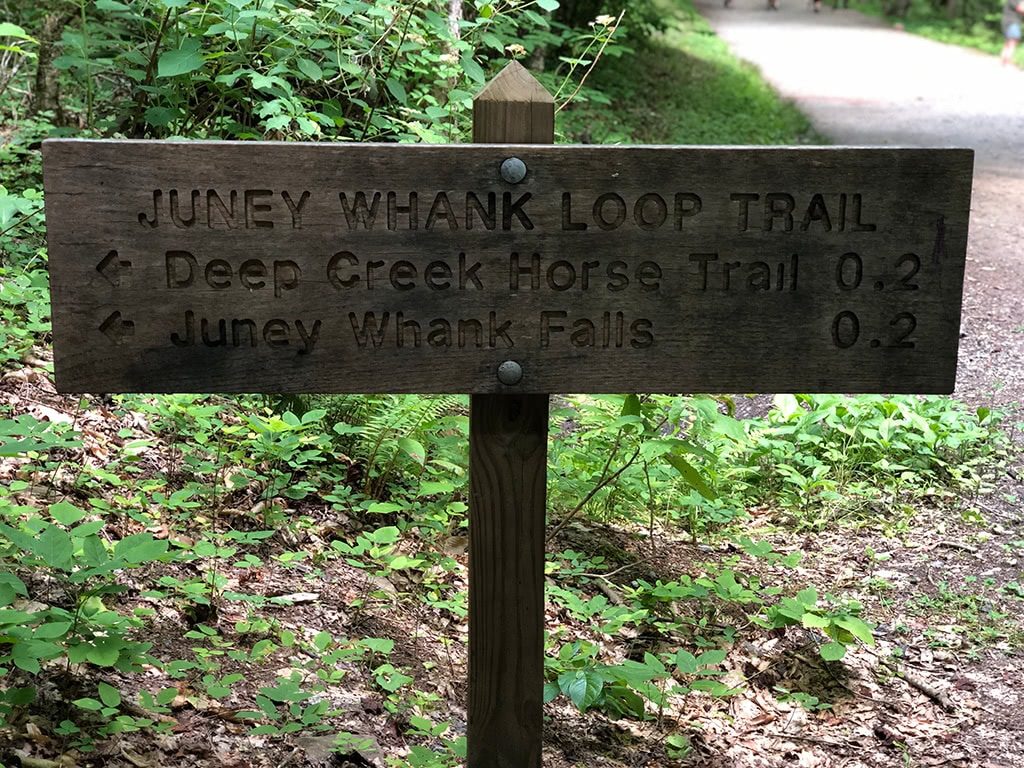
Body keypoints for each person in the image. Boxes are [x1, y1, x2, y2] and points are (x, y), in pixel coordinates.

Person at [1002, 0, 1024, 65]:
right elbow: (1021, 9)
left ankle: (1003, 63)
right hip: (1012, 23)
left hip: (1008, 22)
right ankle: (1007, 62)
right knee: (1013, 42)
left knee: (1008, 43)